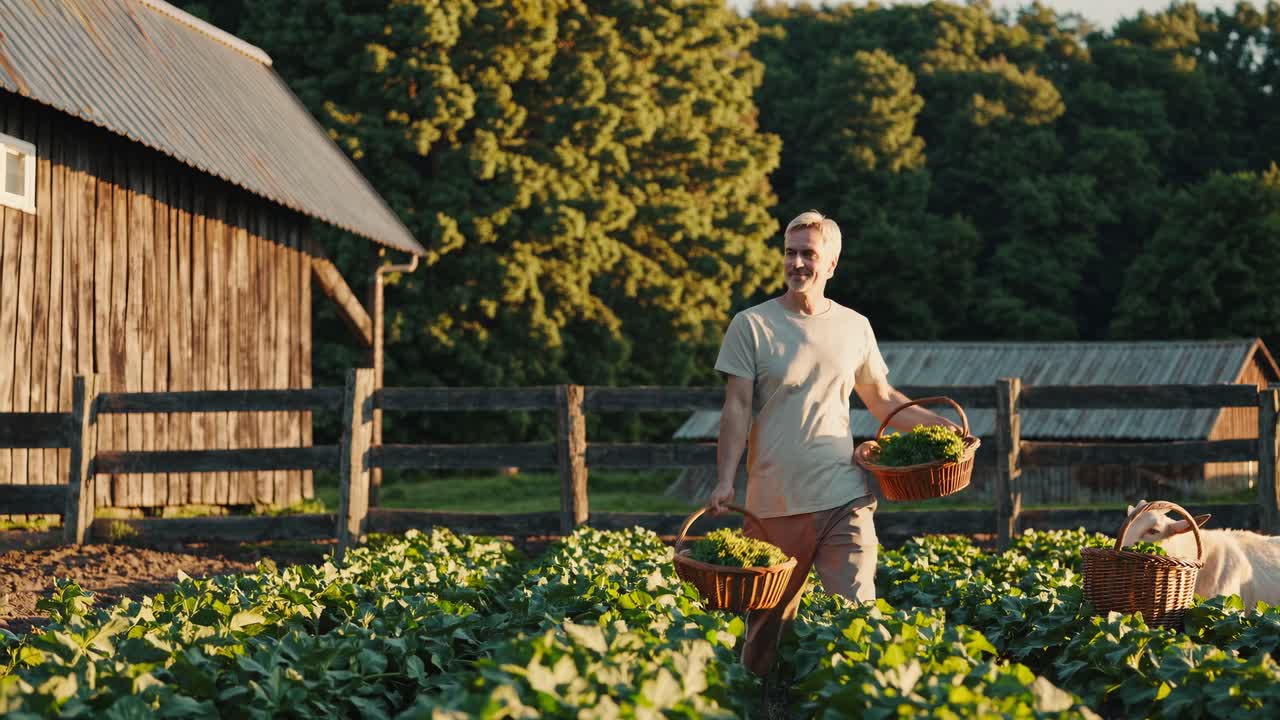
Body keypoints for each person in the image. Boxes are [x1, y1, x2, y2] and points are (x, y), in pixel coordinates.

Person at [708, 210, 960, 677]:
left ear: (831, 264)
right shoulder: (752, 325)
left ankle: (861, 699)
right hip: (775, 503)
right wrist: (725, 479)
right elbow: (736, 408)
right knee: (765, 627)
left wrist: (945, 430)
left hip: (845, 495)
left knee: (859, 616)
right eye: (790, 252)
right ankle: (761, 704)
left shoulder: (855, 326)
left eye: (809, 253)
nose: (797, 263)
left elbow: (883, 400)